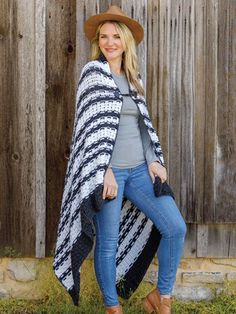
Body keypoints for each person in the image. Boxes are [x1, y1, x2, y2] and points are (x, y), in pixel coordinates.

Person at [53, 5, 187, 314]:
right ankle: (112, 308)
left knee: (175, 227)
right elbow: (87, 134)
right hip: (108, 175)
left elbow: (143, 126)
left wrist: (155, 160)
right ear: (97, 41)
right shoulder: (92, 75)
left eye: (116, 36)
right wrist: (105, 171)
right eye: (104, 37)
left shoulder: (133, 77)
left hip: (140, 171)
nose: (110, 42)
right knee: (109, 243)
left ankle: (161, 297)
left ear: (126, 40)